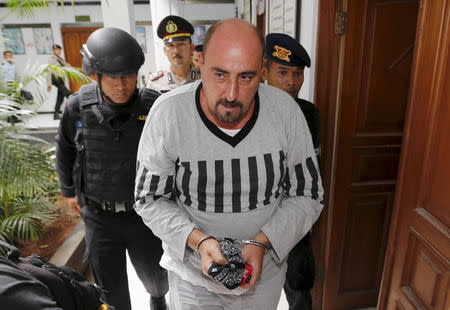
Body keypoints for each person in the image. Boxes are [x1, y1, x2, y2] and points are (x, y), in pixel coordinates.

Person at [135, 18, 324, 309]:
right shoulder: (169, 113)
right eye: (220, 75)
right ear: (200, 61)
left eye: (246, 77)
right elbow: (149, 198)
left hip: (264, 278)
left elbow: (308, 193)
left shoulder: (286, 113)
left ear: (262, 70)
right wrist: (199, 241)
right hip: (192, 280)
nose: (232, 94)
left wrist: (262, 242)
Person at [55, 27, 168, 310]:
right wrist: (68, 191)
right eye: (113, 77)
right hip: (98, 216)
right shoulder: (78, 106)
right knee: (110, 290)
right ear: (97, 74)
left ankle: (158, 300)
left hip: (143, 214)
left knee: (156, 279)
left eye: (128, 76)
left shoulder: (153, 106)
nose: (121, 85)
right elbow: (65, 147)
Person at [262, 33, 320, 310]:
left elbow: (313, 173)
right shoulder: (249, 112)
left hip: (295, 222)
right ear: (264, 72)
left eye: (298, 74)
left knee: (299, 289)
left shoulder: (309, 114)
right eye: (282, 72)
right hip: (258, 221)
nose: (291, 81)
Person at [146, 15, 200, 93]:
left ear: (191, 48)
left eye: (181, 44)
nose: (176, 51)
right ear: (165, 51)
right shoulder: (155, 83)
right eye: (170, 45)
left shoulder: (204, 78)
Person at [48, 44, 72, 119]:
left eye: (59, 50)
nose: (58, 51)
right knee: (68, 94)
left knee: (60, 97)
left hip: (61, 79)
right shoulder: (51, 60)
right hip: (56, 79)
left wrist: (75, 69)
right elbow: (49, 72)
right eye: (56, 50)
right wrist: (49, 84)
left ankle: (56, 114)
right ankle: (77, 106)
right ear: (53, 51)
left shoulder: (60, 59)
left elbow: (66, 65)